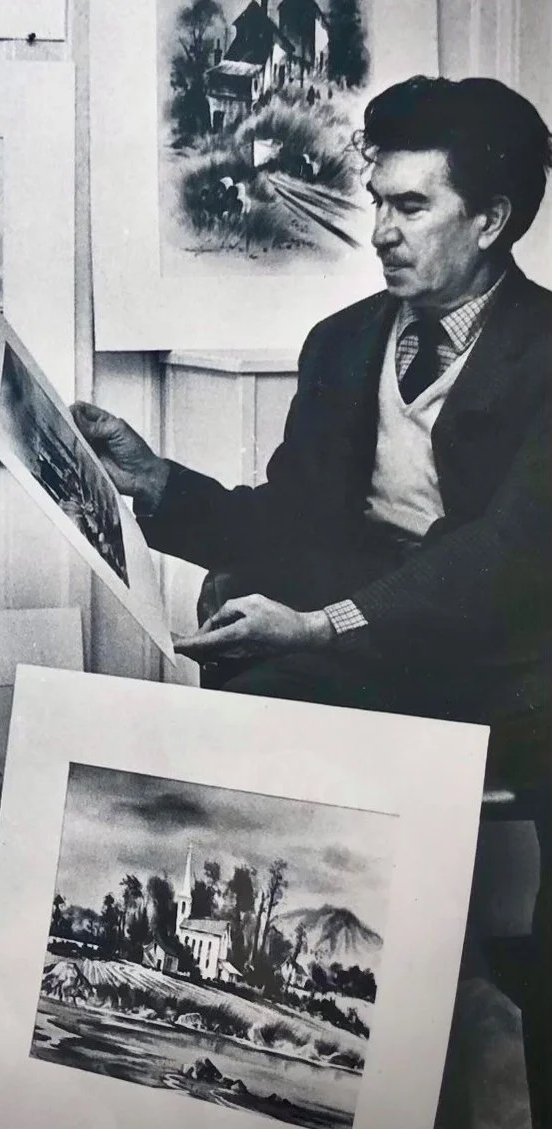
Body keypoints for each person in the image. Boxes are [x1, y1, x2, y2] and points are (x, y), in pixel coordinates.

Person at [73, 75, 552, 1127]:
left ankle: (467, 1031)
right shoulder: (344, 342)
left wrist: (323, 622)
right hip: (376, 647)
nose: (379, 230)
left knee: (304, 670)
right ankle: (260, 1058)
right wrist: (158, 485)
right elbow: (291, 521)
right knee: (254, 685)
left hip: (515, 669)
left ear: (493, 219)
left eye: (410, 206)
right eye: (377, 201)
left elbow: (511, 558)